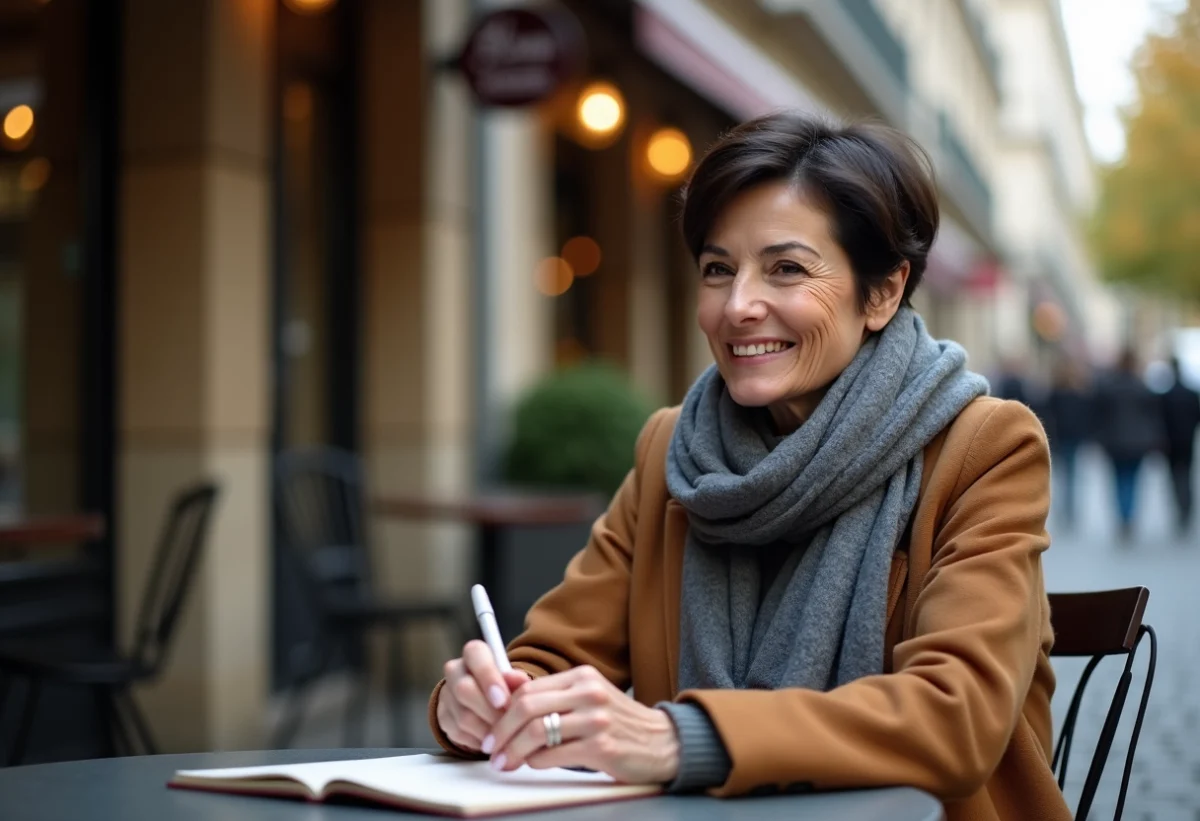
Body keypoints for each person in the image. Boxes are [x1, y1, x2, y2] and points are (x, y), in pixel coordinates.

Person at [430, 113, 1070, 821]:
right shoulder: (670, 450)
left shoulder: (985, 447)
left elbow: (956, 718)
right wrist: (479, 700)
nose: (738, 306)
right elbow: (548, 658)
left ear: (883, 292)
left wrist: (685, 738)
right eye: (717, 269)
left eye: (786, 268)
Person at [1092, 348, 1164, 542]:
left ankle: (1123, 516)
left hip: (1115, 442)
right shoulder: (1142, 386)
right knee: (1133, 480)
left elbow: (1099, 416)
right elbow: (1152, 416)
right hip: (1137, 443)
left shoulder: (1109, 387)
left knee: (1118, 480)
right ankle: (1129, 516)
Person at [1045, 358, 1093, 530]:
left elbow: (1048, 416)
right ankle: (1070, 510)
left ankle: (1065, 510)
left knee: (1062, 476)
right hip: (1071, 438)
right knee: (1070, 475)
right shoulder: (1080, 393)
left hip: (1061, 438)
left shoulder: (1055, 393)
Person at [1160, 357, 1200, 535]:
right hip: (1187, 440)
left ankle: (1181, 507)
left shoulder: (1166, 395)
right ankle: (1186, 507)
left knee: (1175, 477)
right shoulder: (1191, 394)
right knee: (1186, 475)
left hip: (1171, 442)